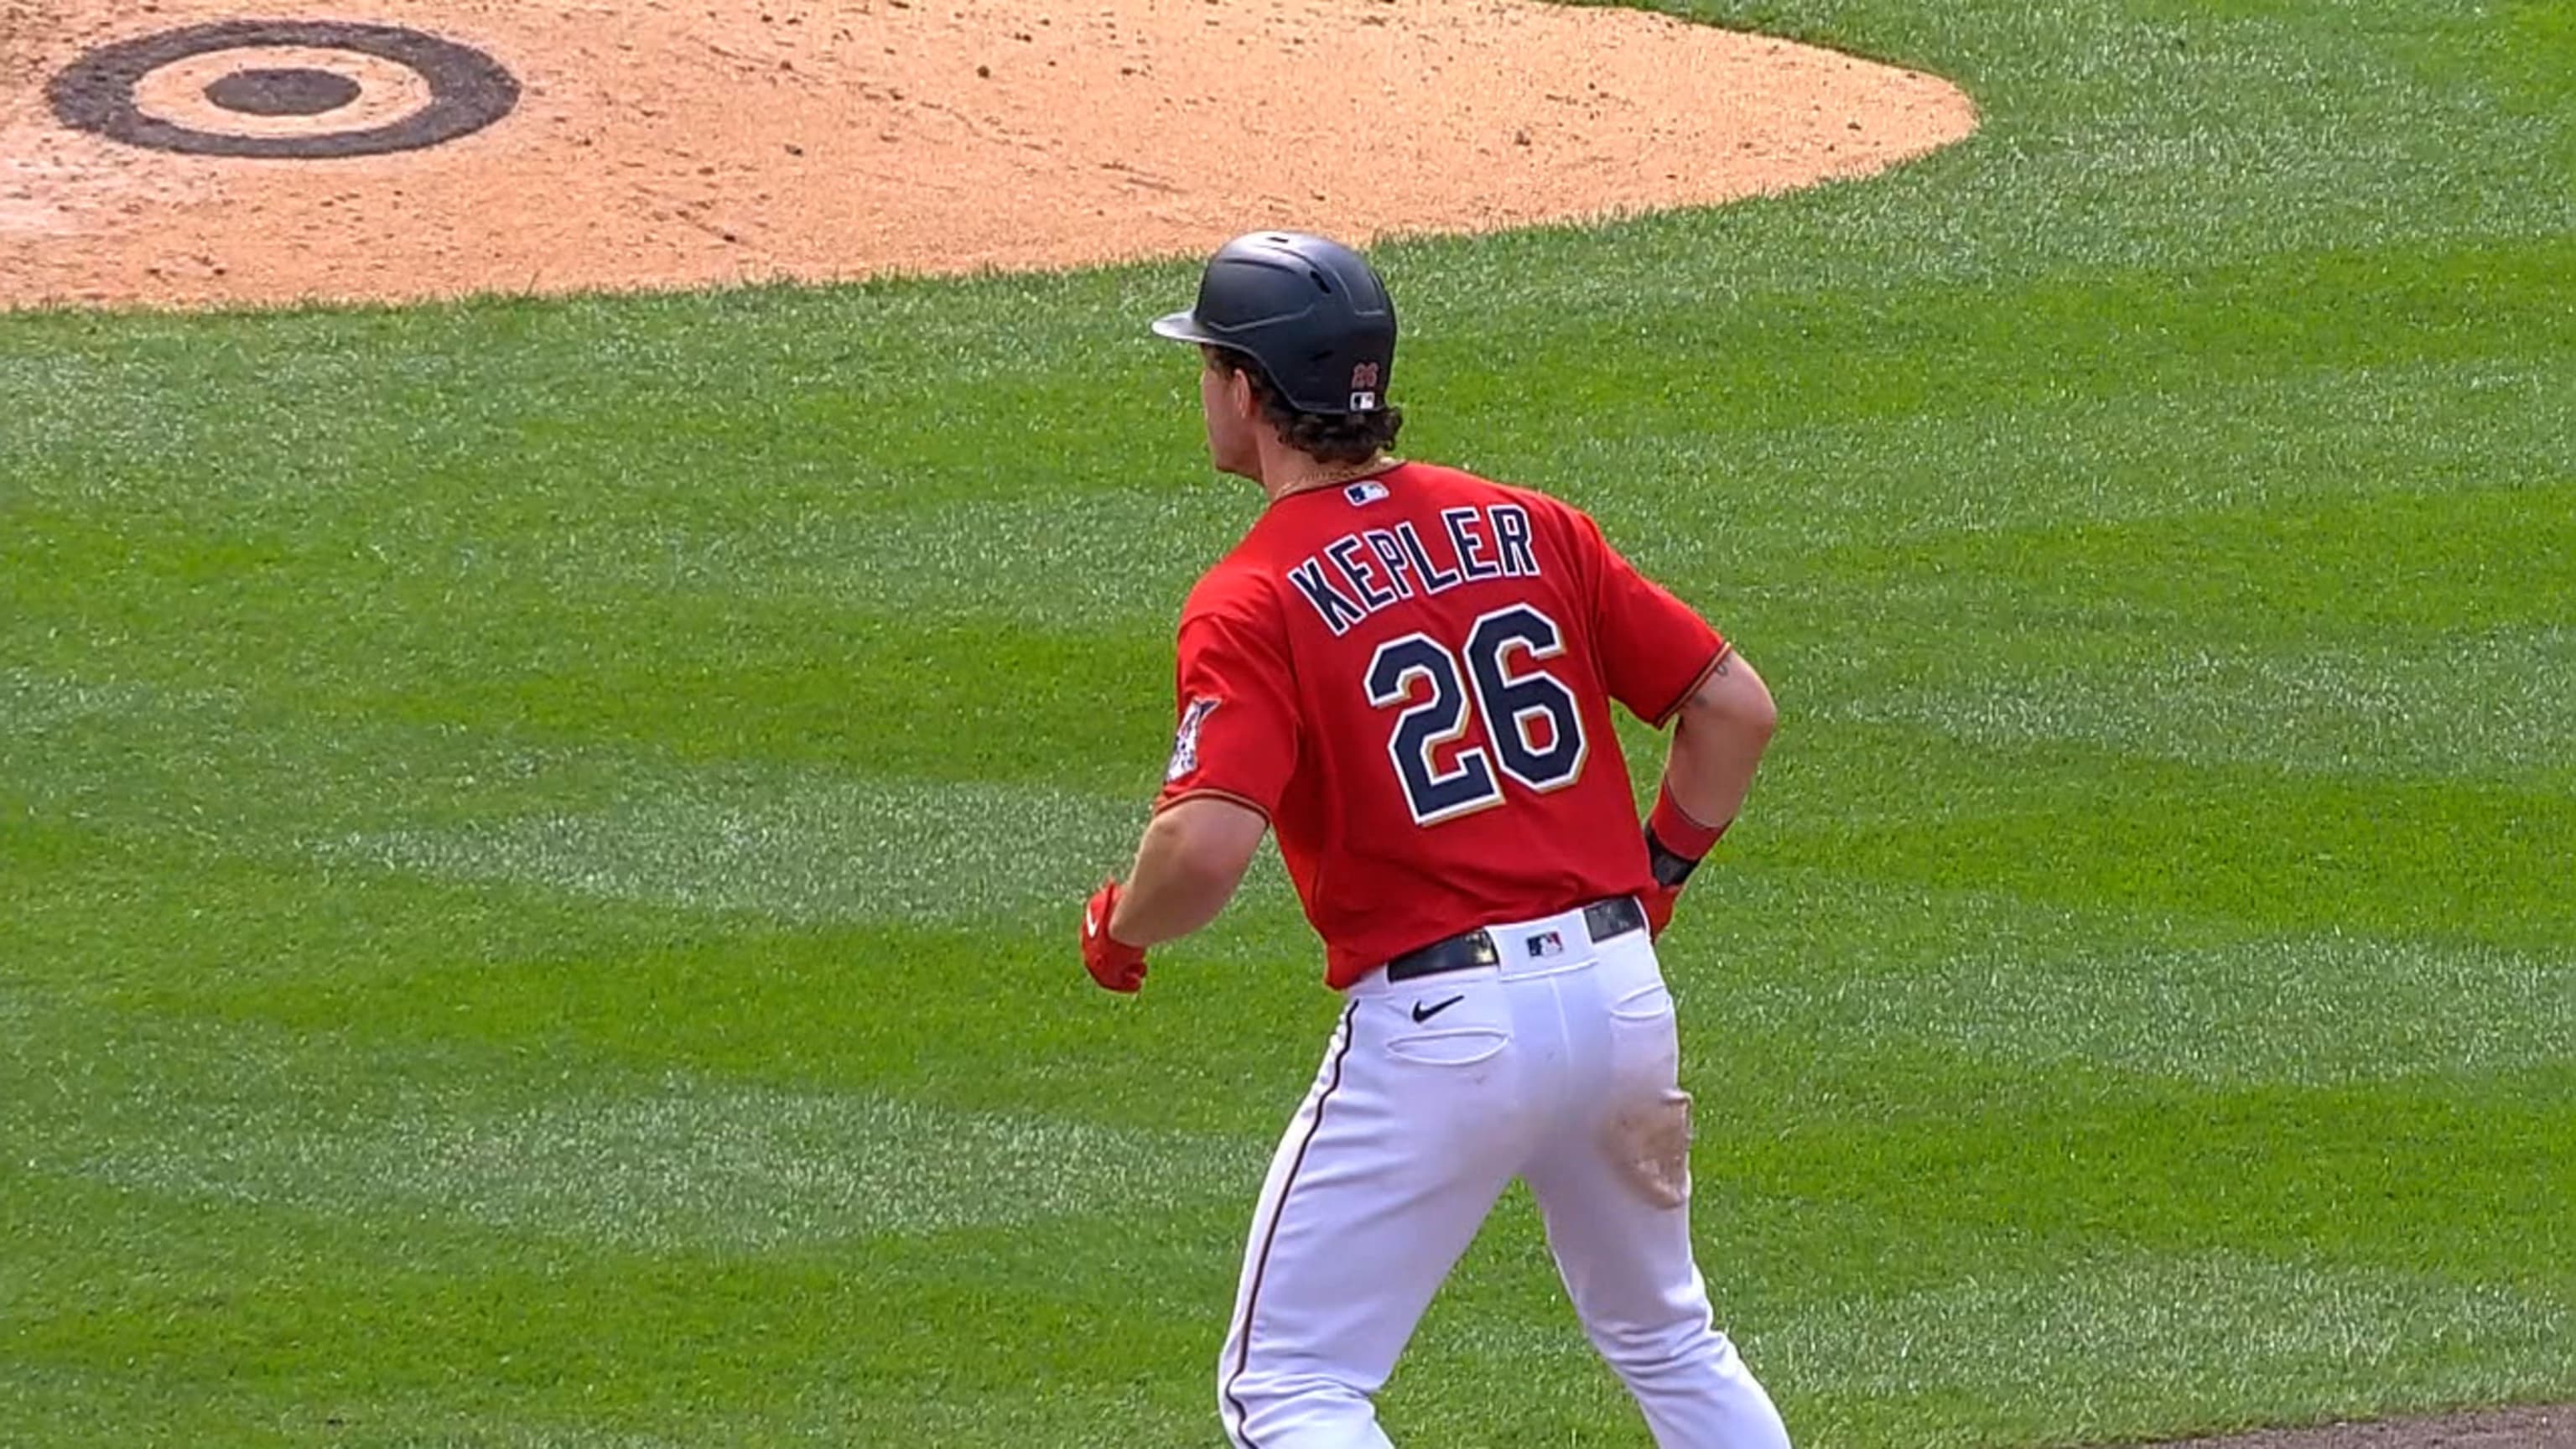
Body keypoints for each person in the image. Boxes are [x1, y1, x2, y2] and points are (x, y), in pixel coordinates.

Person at [1079, 231, 1789, 1449]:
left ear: (1249, 391)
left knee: (1293, 1388)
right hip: (1620, 992)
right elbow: (1732, 710)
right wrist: (1659, 872)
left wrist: (1120, 926)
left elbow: (1201, 854)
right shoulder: (1531, 525)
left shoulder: (1251, 594)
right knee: (1670, 1341)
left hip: (1443, 1032)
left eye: (1207, 364)